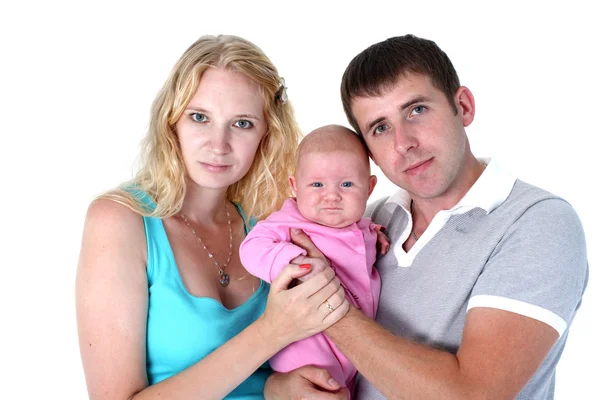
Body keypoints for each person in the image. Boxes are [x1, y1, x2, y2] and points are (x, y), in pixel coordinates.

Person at [265, 34, 589, 399]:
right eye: (381, 128)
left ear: (463, 106)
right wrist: (279, 387)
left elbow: (472, 394)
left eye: (416, 110)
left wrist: (324, 301)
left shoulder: (537, 223)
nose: (404, 143)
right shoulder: (371, 221)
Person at [75, 34, 350, 400]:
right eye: (200, 117)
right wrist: (271, 332)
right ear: (171, 121)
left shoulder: (267, 225)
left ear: (266, 134)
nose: (218, 145)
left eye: (242, 124)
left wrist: (278, 386)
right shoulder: (121, 221)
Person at [240, 125, 388, 395]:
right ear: (295, 186)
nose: (331, 195)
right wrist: (295, 261)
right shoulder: (289, 223)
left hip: (355, 350)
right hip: (307, 347)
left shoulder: (361, 226)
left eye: (346, 184)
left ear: (369, 188)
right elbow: (251, 248)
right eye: (317, 184)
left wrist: (373, 234)